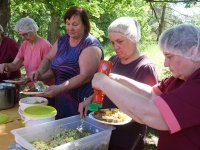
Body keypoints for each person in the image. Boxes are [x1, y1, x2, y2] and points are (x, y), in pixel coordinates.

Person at [91, 23, 200, 150]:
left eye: (169, 56)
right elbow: (151, 94)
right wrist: (117, 79)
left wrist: (104, 83)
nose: (165, 63)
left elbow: (152, 114)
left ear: (192, 51)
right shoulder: (178, 78)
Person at [78, 17, 158, 150]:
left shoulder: (144, 67)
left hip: (128, 138)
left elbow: (149, 108)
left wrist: (115, 119)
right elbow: (101, 88)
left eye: (120, 41)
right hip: (105, 133)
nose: (116, 47)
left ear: (133, 38)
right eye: (113, 42)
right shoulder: (113, 60)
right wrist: (89, 101)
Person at [29, 6, 104, 120]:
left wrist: (59, 88)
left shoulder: (90, 45)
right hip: (61, 101)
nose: (70, 28)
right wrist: (39, 72)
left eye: (75, 24)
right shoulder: (63, 40)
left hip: (82, 103)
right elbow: (49, 58)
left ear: (84, 25)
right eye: (68, 24)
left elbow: (85, 77)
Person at [0, 17, 55, 107]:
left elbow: (52, 72)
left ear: (33, 29)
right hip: (32, 90)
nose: (23, 37)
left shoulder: (45, 46)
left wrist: (32, 78)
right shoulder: (25, 45)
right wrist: (5, 65)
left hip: (46, 91)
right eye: (21, 35)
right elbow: (15, 64)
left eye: (25, 34)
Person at [0, 25, 21, 103]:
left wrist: (9, 67)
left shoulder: (10, 43)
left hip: (10, 82)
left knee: (11, 103)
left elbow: (21, 62)